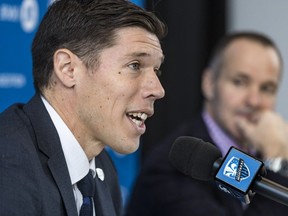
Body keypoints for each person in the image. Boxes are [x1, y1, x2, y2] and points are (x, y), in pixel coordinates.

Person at [0, 0, 167, 215]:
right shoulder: (8, 163)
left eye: (156, 70)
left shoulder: (103, 168)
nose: (158, 89)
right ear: (68, 69)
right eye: (134, 65)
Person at [125, 32, 288, 216]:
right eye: (240, 82)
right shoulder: (174, 167)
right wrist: (277, 159)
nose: (254, 101)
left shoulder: (261, 154)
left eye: (267, 88)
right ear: (209, 83)